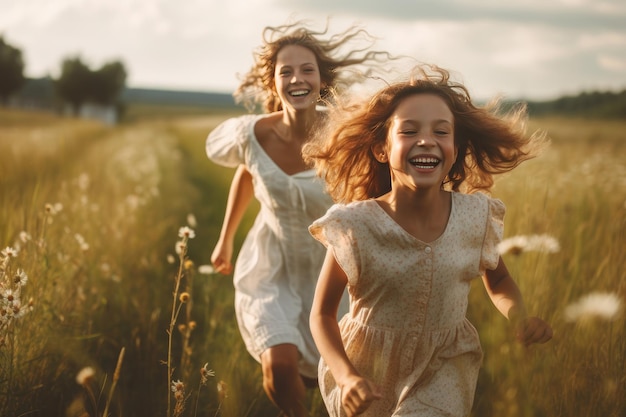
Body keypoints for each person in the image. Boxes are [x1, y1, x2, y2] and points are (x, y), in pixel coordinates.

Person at [305, 64, 554, 417]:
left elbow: (498, 280)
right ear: (381, 149)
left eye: (441, 131)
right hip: (366, 372)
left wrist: (518, 316)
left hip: (445, 367)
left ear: (454, 149)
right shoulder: (355, 225)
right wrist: (346, 377)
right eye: (409, 131)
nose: (426, 140)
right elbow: (322, 314)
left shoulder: (474, 218)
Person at [205, 21, 390, 416]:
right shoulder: (252, 135)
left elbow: (377, 187)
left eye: (306, 69)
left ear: (321, 79)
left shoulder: (344, 134)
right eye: (285, 71)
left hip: (334, 269)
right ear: (273, 84)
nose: (297, 78)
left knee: (337, 378)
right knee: (280, 366)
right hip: (272, 265)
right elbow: (247, 172)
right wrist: (225, 239)